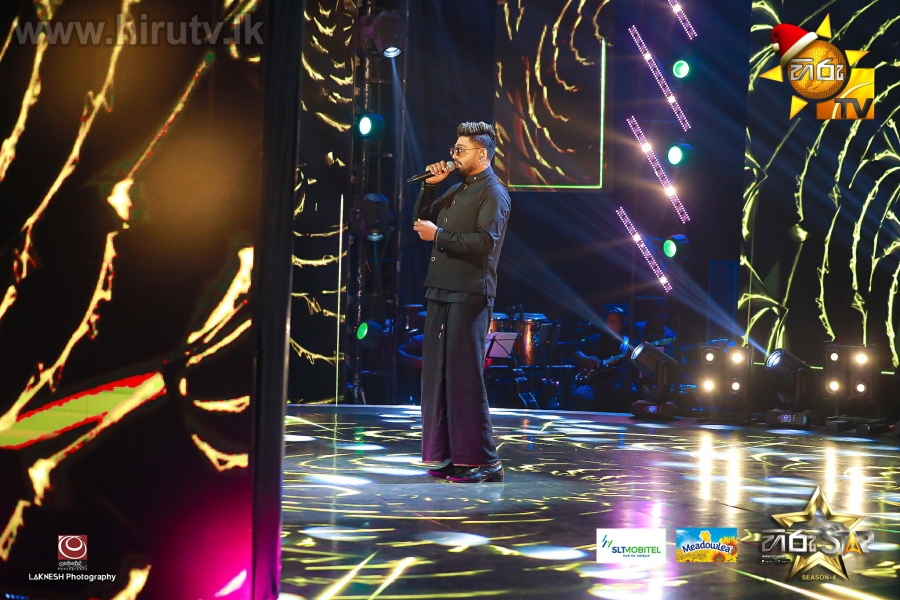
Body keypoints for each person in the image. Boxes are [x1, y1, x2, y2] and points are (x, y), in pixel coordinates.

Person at [412, 122, 510, 483]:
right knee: (438, 376)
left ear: (481, 154)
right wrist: (429, 186)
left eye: (460, 150)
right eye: (453, 149)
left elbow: (485, 242)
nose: (453, 156)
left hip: (470, 293)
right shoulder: (456, 189)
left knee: (464, 377)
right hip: (441, 288)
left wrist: (439, 235)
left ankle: (484, 461)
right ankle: (450, 455)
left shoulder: (494, 193)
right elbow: (420, 222)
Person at [570, 307, 633, 410]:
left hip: (618, 383)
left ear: (622, 324)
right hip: (594, 382)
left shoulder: (628, 344)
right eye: (607, 321)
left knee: (632, 395)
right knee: (579, 395)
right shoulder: (594, 339)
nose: (609, 325)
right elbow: (576, 353)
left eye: (613, 322)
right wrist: (587, 359)